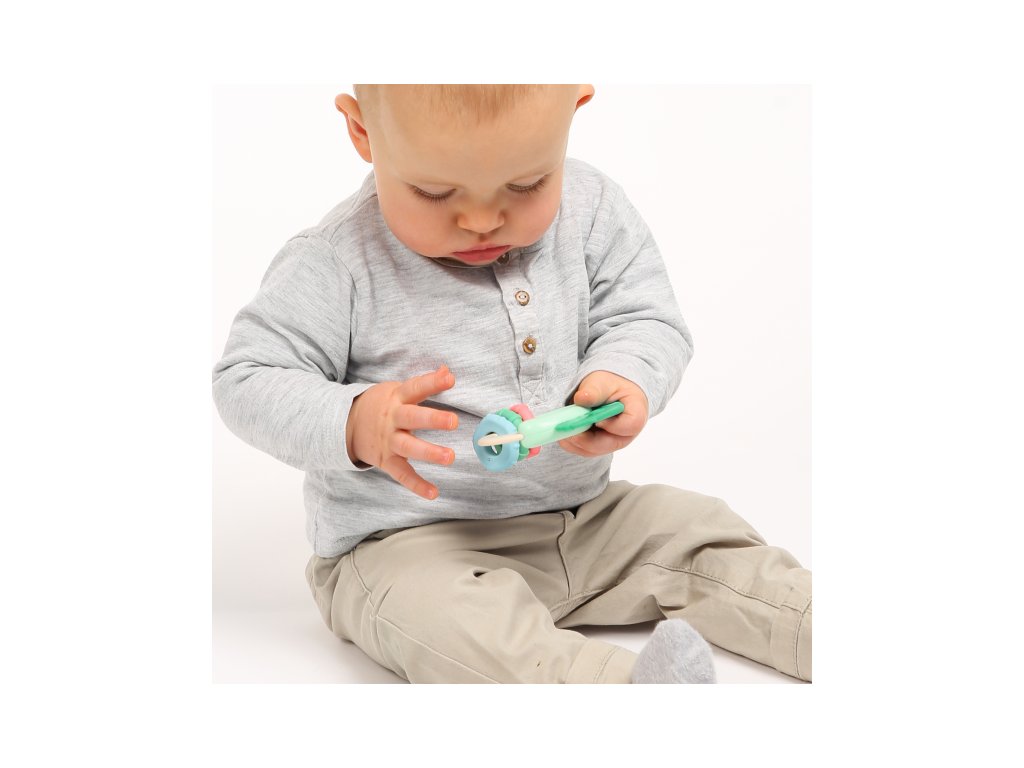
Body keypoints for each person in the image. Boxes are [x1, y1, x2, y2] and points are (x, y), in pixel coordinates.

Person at [212, 84, 811, 683]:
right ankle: (623, 690)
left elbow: (646, 318)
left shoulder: (594, 211)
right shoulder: (337, 258)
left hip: (585, 520)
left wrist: (623, 373)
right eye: (434, 192)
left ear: (572, 114)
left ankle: (809, 624)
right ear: (363, 131)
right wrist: (352, 421)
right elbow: (246, 377)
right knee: (442, 618)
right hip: (407, 547)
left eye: (525, 185)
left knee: (698, 532)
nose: (482, 221)